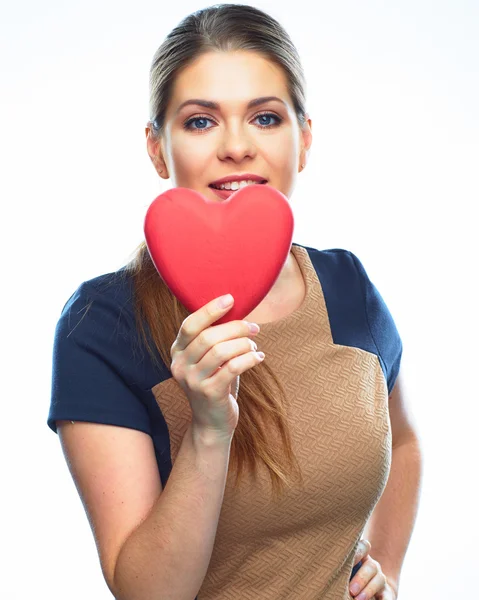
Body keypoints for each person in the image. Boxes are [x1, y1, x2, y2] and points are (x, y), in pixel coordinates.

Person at [48, 4, 419, 599]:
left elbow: (404, 443)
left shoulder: (348, 285)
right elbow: (147, 593)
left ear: (304, 140)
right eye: (200, 122)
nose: (238, 146)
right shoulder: (103, 325)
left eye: (266, 117)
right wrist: (209, 428)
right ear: (156, 148)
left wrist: (389, 569)